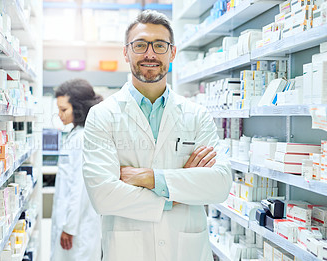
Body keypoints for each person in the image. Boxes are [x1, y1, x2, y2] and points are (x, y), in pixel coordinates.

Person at [82, 10, 232, 261]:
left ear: (172, 52)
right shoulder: (102, 115)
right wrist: (177, 193)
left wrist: (149, 178)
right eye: (140, 45)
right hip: (127, 251)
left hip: (186, 251)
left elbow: (219, 185)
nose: (150, 54)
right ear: (126, 51)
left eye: (160, 45)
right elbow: (103, 196)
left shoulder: (197, 115)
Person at [50, 79, 103, 261]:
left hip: (78, 228)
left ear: (79, 108)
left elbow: (79, 187)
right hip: (71, 221)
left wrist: (69, 227)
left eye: (64, 110)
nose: (59, 115)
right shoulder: (75, 133)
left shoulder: (83, 138)